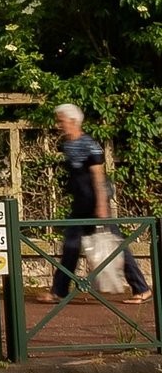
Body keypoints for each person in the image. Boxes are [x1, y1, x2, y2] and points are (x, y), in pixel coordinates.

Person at [51, 103, 152, 304]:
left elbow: (98, 175)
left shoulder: (90, 144)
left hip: (95, 204)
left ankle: (142, 288)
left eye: (61, 121)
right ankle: (58, 291)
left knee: (116, 246)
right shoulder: (68, 145)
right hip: (80, 205)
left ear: (73, 121)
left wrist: (102, 205)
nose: (58, 125)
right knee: (71, 245)